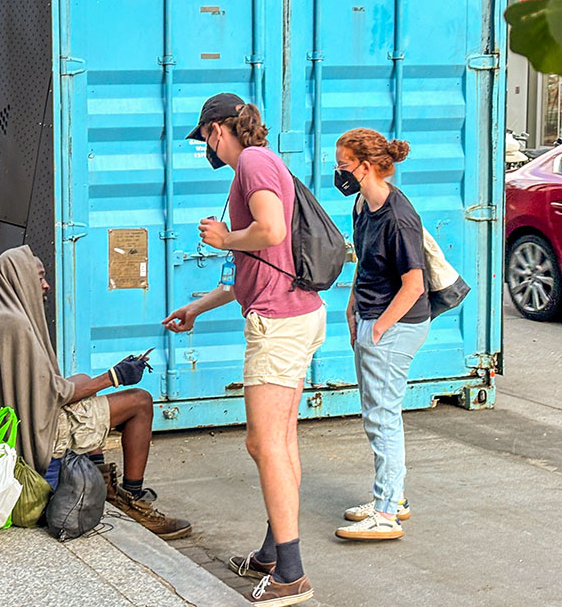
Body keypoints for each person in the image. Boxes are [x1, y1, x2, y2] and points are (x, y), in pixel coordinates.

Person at [163, 94, 325, 606]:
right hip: (296, 312)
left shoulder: (253, 163)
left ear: (216, 131)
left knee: (264, 444)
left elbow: (270, 232)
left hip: (278, 323)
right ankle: (272, 553)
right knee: (282, 439)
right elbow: (254, 266)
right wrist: (198, 307)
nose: (206, 149)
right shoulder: (263, 163)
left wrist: (222, 237)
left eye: (204, 139)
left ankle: (291, 575)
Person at [0, 245, 192, 540]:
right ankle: (134, 499)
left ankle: (102, 482)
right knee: (140, 402)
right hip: (29, 433)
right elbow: (54, 394)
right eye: (40, 278)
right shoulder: (14, 324)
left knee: (84, 382)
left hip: (1, 424)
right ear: (20, 279)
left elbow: (33, 387)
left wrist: (92, 384)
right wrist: (115, 376)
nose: (46, 285)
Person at [333, 129, 430, 541]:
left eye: (343, 167)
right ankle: (393, 497)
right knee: (377, 414)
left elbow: (414, 285)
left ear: (366, 167)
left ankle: (387, 512)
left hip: (396, 323)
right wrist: (354, 303)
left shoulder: (398, 217)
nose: (338, 174)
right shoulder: (363, 204)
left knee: (383, 416)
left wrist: (379, 329)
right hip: (372, 316)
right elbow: (366, 261)